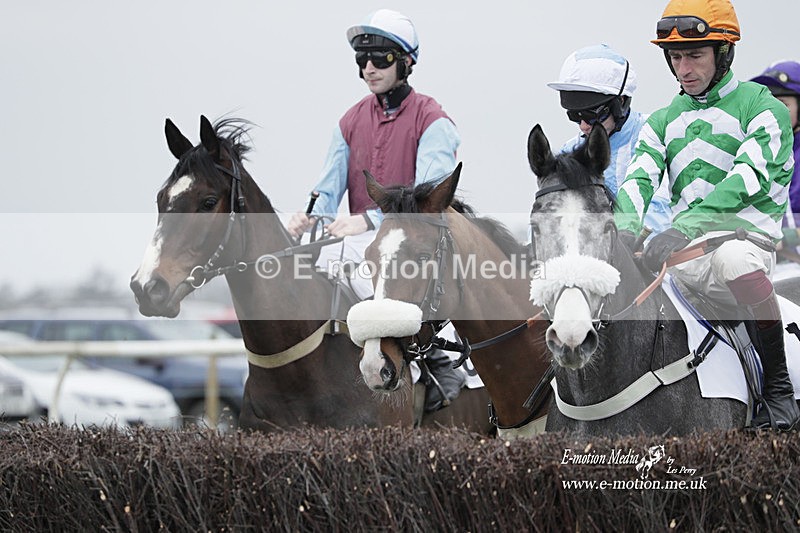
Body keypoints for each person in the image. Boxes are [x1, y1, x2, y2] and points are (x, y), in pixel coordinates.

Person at [614, 0, 799, 430]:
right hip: (688, 258)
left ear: (724, 52)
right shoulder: (660, 121)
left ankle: (778, 388)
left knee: (732, 260)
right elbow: (637, 180)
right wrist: (622, 232)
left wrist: (680, 227)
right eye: (675, 57)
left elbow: (744, 181)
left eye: (695, 55)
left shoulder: (763, 108)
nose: (684, 68)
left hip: (746, 245)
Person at [286, 9, 463, 410]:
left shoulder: (433, 120)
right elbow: (328, 189)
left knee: (368, 272)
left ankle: (437, 361)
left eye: (380, 58)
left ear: (406, 63)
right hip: (359, 235)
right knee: (302, 270)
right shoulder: (348, 122)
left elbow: (429, 198)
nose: (369, 68)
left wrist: (366, 220)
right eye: (361, 60)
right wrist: (310, 215)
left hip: (413, 238)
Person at [547, 44, 672, 245]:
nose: (584, 126)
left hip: (656, 254)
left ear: (620, 103)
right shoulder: (568, 152)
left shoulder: (657, 135)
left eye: (591, 115)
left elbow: (661, 208)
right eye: (575, 116)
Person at [750, 61, 800, 254]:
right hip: (774, 269)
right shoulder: (758, 156)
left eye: (783, 105)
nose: (775, 113)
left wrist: (788, 237)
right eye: (770, 105)